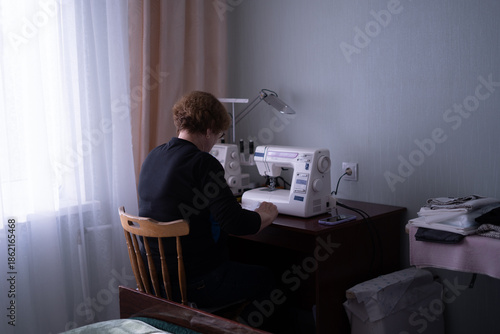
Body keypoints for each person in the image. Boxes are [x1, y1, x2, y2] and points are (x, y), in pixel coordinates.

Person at [137, 91, 279, 325]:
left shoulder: (153, 156)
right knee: (267, 279)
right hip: (197, 283)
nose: (215, 143)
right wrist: (266, 214)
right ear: (210, 127)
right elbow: (234, 222)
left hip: (156, 281)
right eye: (218, 135)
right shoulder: (203, 163)